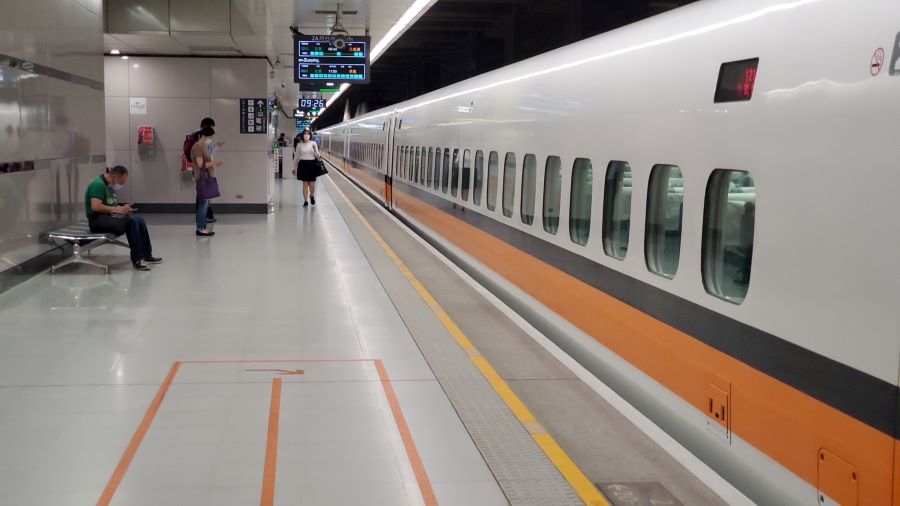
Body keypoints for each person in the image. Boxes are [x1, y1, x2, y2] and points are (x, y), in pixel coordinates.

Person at [85, 166, 160, 271]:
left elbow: (111, 206)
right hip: (96, 221)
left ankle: (147, 255)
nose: (122, 184)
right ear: (114, 177)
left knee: (139, 219)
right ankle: (137, 259)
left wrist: (123, 208)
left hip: (107, 217)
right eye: (122, 182)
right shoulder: (98, 185)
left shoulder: (109, 186)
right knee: (131, 221)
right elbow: (96, 206)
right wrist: (117, 209)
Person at [191, 126, 222, 236]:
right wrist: (214, 163)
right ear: (204, 136)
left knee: (205, 203)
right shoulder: (197, 147)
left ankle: (202, 227)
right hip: (202, 178)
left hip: (206, 177)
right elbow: (200, 164)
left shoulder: (203, 146)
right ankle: (200, 228)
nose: (211, 139)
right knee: (203, 204)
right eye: (210, 137)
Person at [294, 129, 320, 207]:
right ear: (302, 135)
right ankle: (305, 201)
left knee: (312, 184)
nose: (306, 135)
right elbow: (296, 157)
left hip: (312, 164)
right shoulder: (299, 145)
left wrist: (315, 150)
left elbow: (317, 156)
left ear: (310, 135)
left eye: (308, 134)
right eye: (305, 134)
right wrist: (294, 168)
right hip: (303, 164)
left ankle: (311, 195)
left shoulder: (314, 143)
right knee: (305, 183)